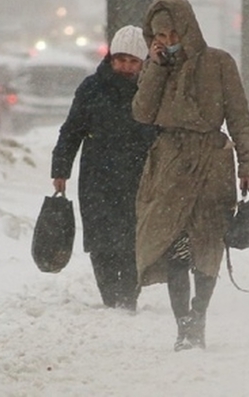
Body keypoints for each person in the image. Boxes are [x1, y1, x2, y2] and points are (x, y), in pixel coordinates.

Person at [131, 0, 249, 351]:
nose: (168, 42)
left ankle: (199, 315)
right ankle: (182, 325)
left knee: (207, 243)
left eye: (173, 34)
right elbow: (141, 113)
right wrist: (156, 67)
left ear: (187, 28)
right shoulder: (156, 68)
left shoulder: (219, 63)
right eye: (160, 36)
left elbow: (239, 117)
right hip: (170, 163)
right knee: (173, 243)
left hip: (212, 163)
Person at [51, 25, 157, 311]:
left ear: (143, 62)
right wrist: (61, 168)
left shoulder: (151, 90)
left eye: (133, 61)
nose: (125, 66)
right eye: (121, 59)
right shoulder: (91, 88)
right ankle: (111, 298)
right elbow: (72, 130)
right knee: (101, 240)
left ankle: (128, 297)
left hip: (139, 175)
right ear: (111, 57)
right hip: (98, 174)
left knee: (133, 239)